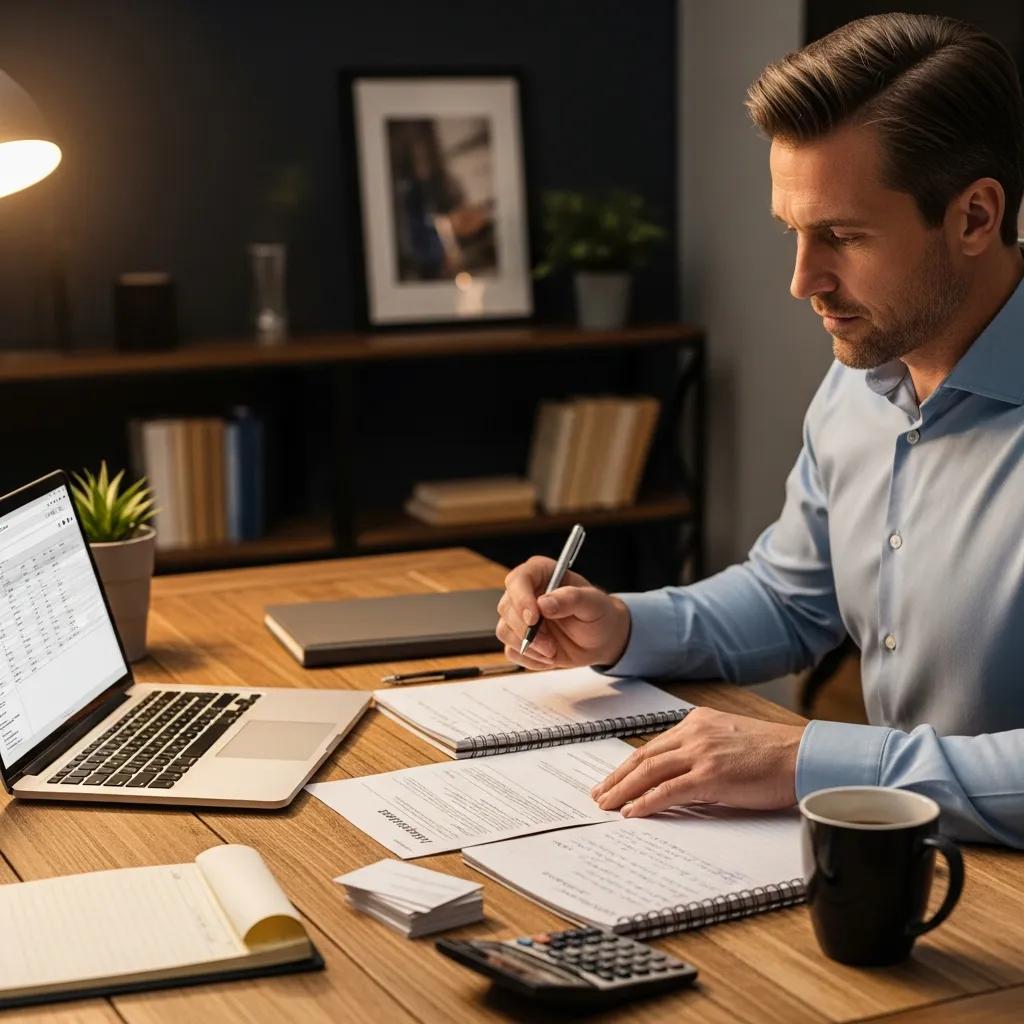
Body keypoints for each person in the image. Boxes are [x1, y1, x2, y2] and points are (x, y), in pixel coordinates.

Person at [496, 12, 1024, 848]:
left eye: (842, 237)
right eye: (794, 233)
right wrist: (622, 626)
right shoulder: (857, 385)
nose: (802, 280)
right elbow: (790, 597)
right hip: (891, 871)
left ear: (974, 217)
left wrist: (810, 759)